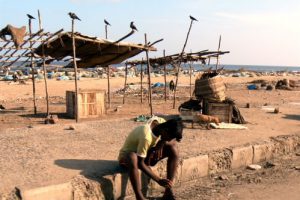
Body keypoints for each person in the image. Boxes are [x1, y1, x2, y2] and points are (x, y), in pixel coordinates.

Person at [118, 118, 183, 200]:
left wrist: (162, 142)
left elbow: (173, 141)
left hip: (146, 155)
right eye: (169, 137)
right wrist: (158, 180)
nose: (169, 140)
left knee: (173, 149)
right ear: (165, 131)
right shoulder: (146, 136)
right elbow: (140, 163)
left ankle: (168, 191)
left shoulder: (161, 123)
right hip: (128, 159)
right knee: (132, 157)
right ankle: (139, 197)